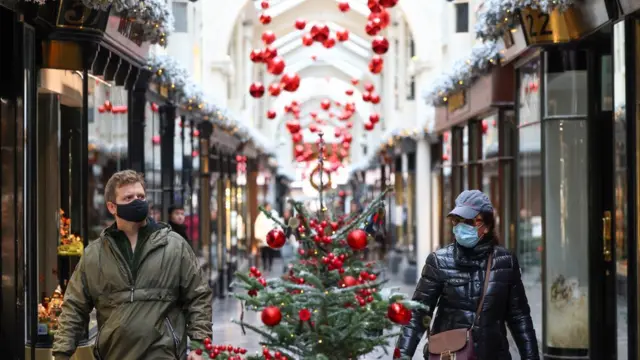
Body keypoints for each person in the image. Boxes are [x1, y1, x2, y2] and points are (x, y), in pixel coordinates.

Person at [52, 170, 212, 360]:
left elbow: (198, 296)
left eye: (141, 196)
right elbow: (74, 307)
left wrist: (200, 345)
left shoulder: (174, 246)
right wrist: (61, 354)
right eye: (128, 198)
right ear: (112, 207)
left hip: (163, 354)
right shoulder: (95, 255)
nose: (137, 201)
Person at [395, 190, 539, 360]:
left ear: (485, 225)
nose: (460, 226)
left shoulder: (506, 262)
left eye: (468, 221)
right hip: (450, 354)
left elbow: (519, 317)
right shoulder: (439, 261)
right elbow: (417, 315)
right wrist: (402, 356)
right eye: (456, 221)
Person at [254, 202, 280, 272]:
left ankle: (270, 265)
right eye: (268, 206)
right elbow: (257, 226)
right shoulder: (261, 216)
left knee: (271, 252)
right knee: (264, 252)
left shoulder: (274, 214)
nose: (269, 208)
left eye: (270, 206)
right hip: (263, 238)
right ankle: (265, 265)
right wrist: (258, 236)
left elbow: (278, 224)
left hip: (271, 237)